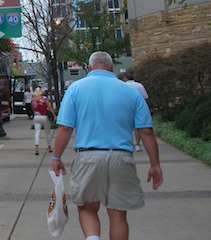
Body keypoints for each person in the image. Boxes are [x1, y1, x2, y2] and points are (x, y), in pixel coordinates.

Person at [52, 51, 163, 240]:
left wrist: (56, 157)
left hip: (88, 157)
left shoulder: (75, 89)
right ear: (111, 67)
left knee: (87, 207)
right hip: (122, 157)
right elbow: (146, 131)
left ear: (89, 68)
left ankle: (93, 238)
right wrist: (155, 165)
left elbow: (64, 128)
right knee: (118, 213)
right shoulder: (130, 91)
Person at [123, 72, 149, 151]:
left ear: (125, 78)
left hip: (125, 108)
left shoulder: (123, 86)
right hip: (137, 107)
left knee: (125, 127)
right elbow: (145, 97)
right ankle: (137, 144)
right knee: (137, 128)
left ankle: (126, 144)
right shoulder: (139, 85)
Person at [31, 87, 56, 155]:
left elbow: (33, 109)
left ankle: (37, 147)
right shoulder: (44, 99)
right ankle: (49, 146)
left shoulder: (33, 100)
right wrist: (54, 115)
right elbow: (50, 107)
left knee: (37, 132)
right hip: (44, 116)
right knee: (47, 132)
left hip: (36, 117)